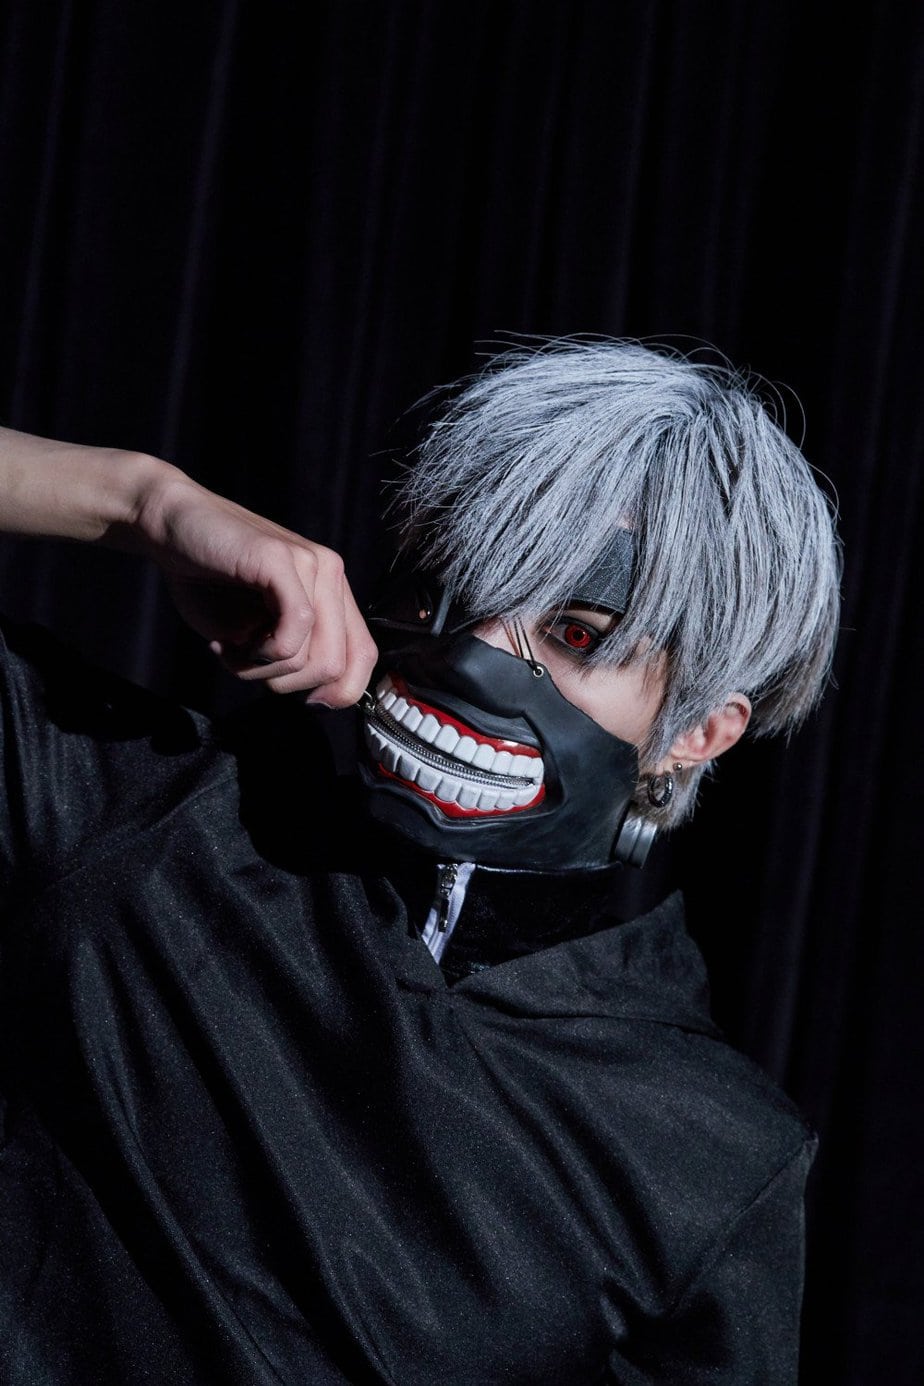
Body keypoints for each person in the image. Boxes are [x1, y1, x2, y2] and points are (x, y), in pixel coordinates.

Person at [0, 339, 840, 1383]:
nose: (479, 656)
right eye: (452, 589)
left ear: (698, 733)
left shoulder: (710, 1150)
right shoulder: (146, 821)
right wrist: (141, 501)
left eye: (577, 634)